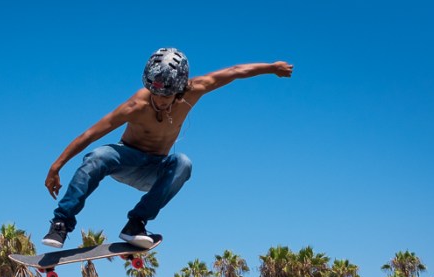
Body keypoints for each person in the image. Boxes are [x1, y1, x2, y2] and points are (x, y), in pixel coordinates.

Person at [41, 48, 293, 248]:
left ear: (179, 89)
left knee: (183, 162)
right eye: (155, 94)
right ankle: (61, 223)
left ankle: (136, 224)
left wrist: (271, 68)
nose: (159, 101)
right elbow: (90, 134)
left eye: (166, 96)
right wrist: (56, 165)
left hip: (156, 170)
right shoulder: (135, 105)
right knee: (98, 155)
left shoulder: (196, 90)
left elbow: (235, 71)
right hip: (126, 160)